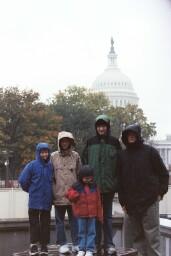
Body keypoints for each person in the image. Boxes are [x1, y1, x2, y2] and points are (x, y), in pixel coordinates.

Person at [118, 123, 169, 256]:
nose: (131, 137)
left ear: (138, 135)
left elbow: (164, 174)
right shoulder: (122, 156)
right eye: (128, 135)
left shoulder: (150, 152)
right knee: (133, 240)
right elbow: (120, 181)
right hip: (130, 204)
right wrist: (123, 202)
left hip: (149, 202)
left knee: (152, 239)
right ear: (125, 137)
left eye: (133, 134)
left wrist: (160, 193)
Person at [82, 114, 121, 255]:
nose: (101, 128)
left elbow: (119, 165)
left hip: (109, 187)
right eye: (99, 126)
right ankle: (96, 244)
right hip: (94, 188)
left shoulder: (115, 143)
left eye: (103, 126)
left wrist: (116, 182)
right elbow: (84, 163)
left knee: (108, 217)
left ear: (107, 127)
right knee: (95, 217)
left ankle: (109, 244)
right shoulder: (90, 142)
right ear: (96, 127)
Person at [18, 143, 53, 256]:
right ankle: (33, 245)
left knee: (45, 224)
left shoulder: (51, 166)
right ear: (38, 153)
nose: (44, 154)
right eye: (42, 152)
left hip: (47, 201)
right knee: (34, 224)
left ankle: (44, 246)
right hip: (34, 201)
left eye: (46, 152)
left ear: (49, 153)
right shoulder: (32, 165)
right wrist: (30, 190)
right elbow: (23, 180)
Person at [51, 131, 82, 254]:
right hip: (58, 194)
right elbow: (50, 176)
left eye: (67, 141)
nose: (64, 143)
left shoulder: (76, 156)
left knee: (75, 221)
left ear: (70, 142)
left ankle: (76, 243)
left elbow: (80, 175)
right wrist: (52, 191)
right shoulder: (53, 156)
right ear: (59, 142)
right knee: (59, 221)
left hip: (73, 195)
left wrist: (79, 191)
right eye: (62, 141)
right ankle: (62, 244)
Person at [66, 165, 103, 256]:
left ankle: (90, 249)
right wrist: (75, 194)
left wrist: (100, 215)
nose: (87, 180)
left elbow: (98, 201)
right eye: (85, 178)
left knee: (91, 232)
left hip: (92, 215)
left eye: (89, 178)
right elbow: (69, 195)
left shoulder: (94, 186)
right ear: (81, 177)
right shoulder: (76, 186)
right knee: (81, 232)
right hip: (81, 215)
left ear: (92, 177)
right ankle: (81, 248)